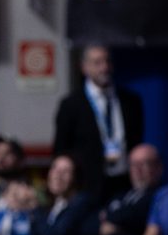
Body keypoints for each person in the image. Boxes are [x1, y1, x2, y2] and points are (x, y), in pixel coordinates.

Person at [34, 144, 163, 235]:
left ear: (158, 167)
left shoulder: (158, 196)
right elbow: (90, 226)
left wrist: (112, 219)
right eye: (134, 164)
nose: (138, 170)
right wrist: (115, 221)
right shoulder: (121, 195)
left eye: (145, 164)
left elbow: (135, 217)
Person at [54, 45, 144, 203]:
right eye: (97, 62)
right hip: (88, 186)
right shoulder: (71, 104)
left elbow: (137, 140)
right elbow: (61, 147)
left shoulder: (131, 101)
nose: (104, 67)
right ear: (84, 67)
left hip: (123, 183)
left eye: (107, 61)